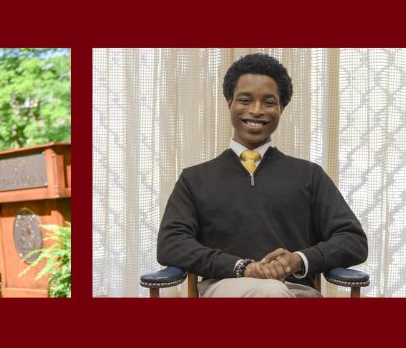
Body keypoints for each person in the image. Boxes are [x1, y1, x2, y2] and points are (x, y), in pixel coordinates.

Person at [156, 53, 368, 297]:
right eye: (245, 100)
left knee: (277, 291)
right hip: (225, 286)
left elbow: (353, 239)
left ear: (281, 108)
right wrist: (241, 267)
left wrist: (298, 260)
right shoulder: (194, 179)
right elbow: (171, 244)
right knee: (271, 291)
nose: (256, 111)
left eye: (268, 102)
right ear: (229, 102)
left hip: (297, 291)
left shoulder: (309, 175)